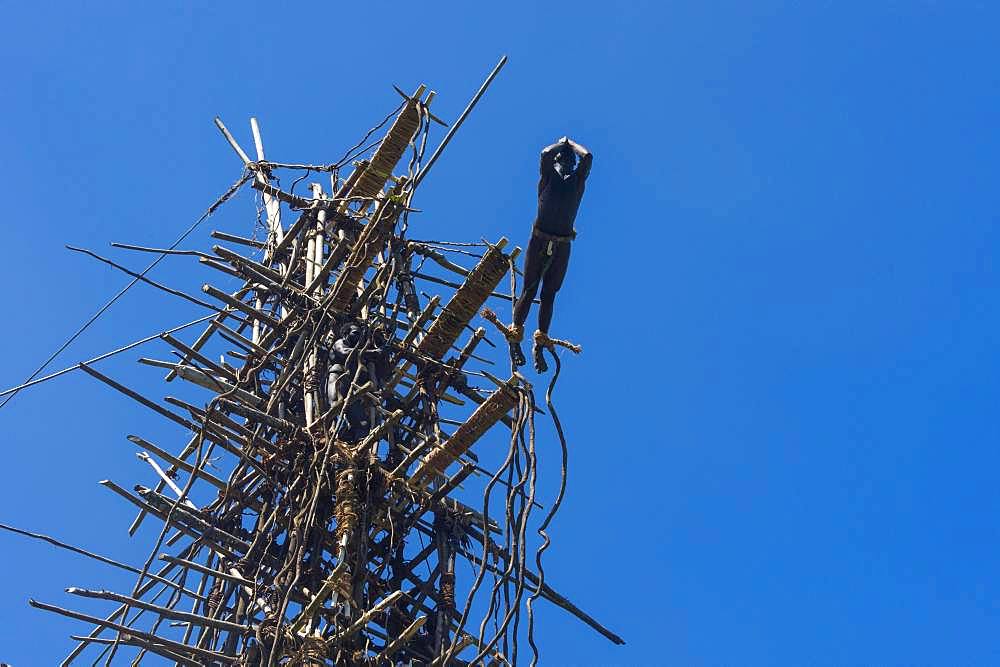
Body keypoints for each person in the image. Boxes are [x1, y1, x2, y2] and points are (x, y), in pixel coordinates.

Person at [511, 136, 592, 371]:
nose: (566, 162)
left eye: (570, 160)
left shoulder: (577, 182)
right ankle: (515, 337)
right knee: (529, 289)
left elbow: (587, 157)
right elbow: (545, 154)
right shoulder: (547, 178)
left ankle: (540, 343)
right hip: (540, 238)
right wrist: (562, 144)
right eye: (562, 158)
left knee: (549, 294)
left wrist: (572, 144)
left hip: (563, 243)